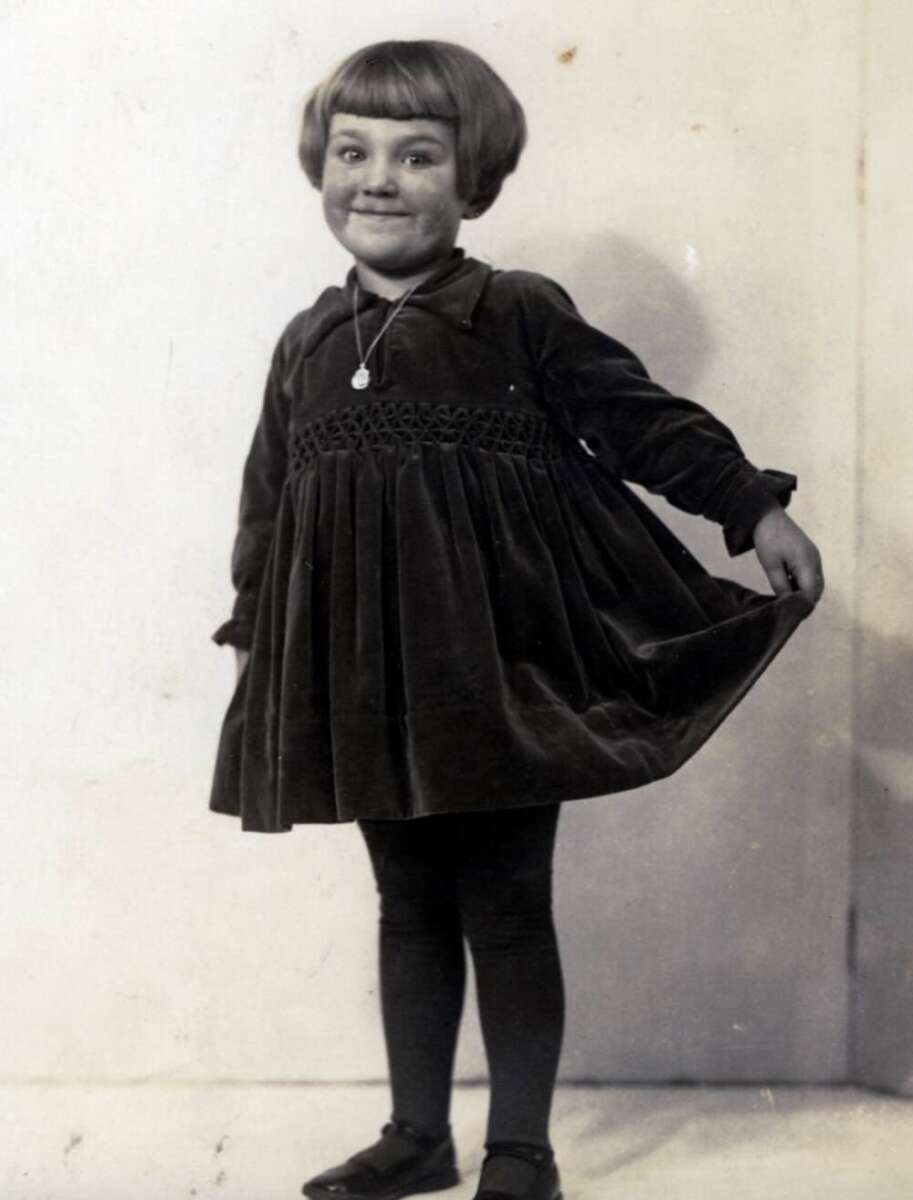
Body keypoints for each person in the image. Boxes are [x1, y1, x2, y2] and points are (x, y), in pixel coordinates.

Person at [209, 39, 824, 1200]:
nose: (377, 179)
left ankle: (520, 1152)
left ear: (474, 180)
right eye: (352, 152)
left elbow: (639, 421)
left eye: (416, 156)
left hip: (504, 670)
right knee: (406, 904)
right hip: (367, 680)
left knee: (502, 904)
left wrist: (750, 508)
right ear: (319, 168)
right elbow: (269, 503)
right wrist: (255, 640)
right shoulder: (306, 343)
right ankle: (416, 1136)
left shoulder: (515, 312)